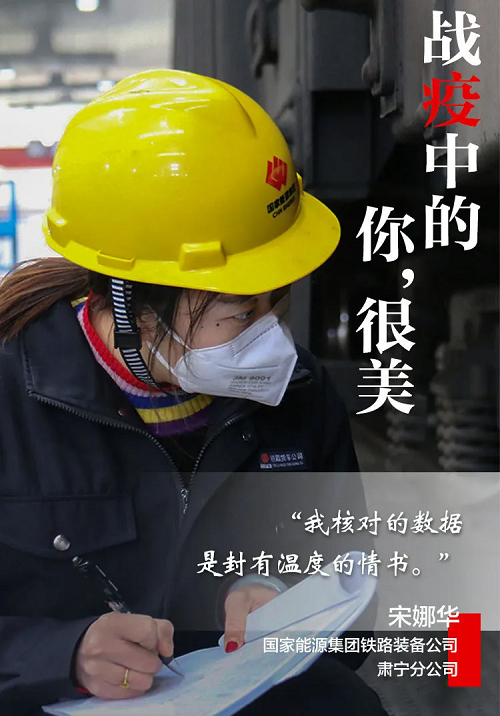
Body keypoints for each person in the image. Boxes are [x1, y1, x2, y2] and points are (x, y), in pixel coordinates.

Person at [0, 70, 389, 716]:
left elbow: (355, 600)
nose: (270, 337)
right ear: (132, 303)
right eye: (240, 311)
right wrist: (63, 655)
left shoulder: (300, 392)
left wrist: (282, 599)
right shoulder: (13, 399)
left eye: (276, 301)